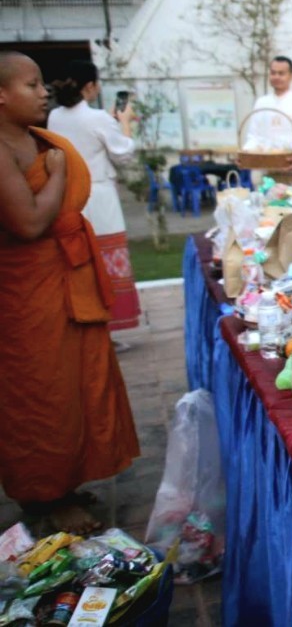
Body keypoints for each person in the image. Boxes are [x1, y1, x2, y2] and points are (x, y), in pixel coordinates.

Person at [0, 52, 140, 533]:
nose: (44, 92)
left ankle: (69, 478)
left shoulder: (35, 138)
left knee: (78, 383)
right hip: (26, 289)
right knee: (41, 393)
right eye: (31, 84)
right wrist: (57, 171)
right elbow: (28, 222)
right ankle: (47, 495)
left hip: (63, 276)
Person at [47, 60, 141, 334]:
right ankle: (114, 318)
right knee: (108, 258)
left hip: (70, 196)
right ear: (90, 86)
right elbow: (123, 154)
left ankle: (89, 317)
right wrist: (124, 124)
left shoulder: (55, 117)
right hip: (98, 194)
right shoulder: (97, 118)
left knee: (83, 260)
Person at [245, 56, 292, 178]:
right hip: (266, 169)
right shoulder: (261, 103)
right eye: (273, 73)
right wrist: (245, 154)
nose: (276, 77)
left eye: (281, 73)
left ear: (291, 76)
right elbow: (254, 135)